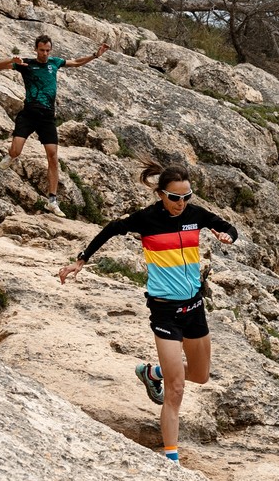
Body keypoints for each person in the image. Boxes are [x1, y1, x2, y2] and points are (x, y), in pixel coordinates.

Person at [57, 162, 238, 465]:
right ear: (161, 194)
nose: (181, 204)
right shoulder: (147, 219)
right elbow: (112, 229)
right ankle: (171, 459)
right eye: (175, 197)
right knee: (176, 387)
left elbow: (229, 228)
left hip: (194, 308)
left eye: (186, 197)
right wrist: (81, 260)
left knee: (200, 376)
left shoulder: (195, 215)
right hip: (165, 311)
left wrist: (228, 236)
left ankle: (151, 372)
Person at [0, 35, 109, 216]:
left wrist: (95, 55)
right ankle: (11, 156)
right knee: (16, 151)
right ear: (36, 49)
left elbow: (76, 62)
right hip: (29, 114)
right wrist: (11, 60)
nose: (45, 54)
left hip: (47, 117)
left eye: (47, 50)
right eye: (42, 50)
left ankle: (52, 200)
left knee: (53, 157)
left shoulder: (54, 63)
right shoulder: (26, 64)